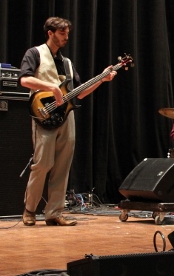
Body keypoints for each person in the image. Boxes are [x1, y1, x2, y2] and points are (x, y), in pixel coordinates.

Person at [19, 17, 117, 226]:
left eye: (67, 34)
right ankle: (29, 210)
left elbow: (79, 93)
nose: (66, 37)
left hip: (66, 116)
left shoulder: (67, 63)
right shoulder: (35, 53)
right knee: (43, 164)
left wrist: (101, 79)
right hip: (43, 114)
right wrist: (51, 88)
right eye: (62, 33)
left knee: (63, 166)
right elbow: (24, 79)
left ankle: (54, 212)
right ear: (50, 33)